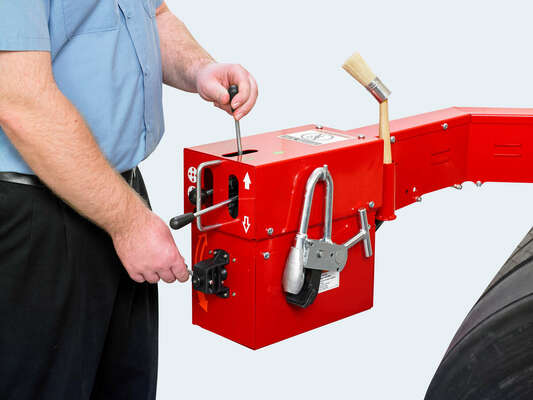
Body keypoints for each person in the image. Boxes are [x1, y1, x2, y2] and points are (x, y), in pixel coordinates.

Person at [0, 1, 258, 399]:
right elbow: (20, 100)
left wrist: (199, 68)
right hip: (36, 216)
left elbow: (154, 17)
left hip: (117, 195)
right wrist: (129, 224)